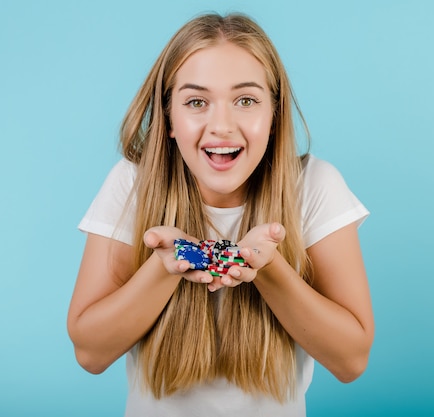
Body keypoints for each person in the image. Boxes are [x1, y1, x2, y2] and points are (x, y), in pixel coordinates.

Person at [67, 12, 374, 417]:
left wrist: (269, 269)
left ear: (274, 114)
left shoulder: (314, 185)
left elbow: (351, 360)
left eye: (246, 100)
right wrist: (166, 268)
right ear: (170, 117)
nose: (222, 126)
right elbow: (90, 352)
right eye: (196, 102)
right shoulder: (131, 184)